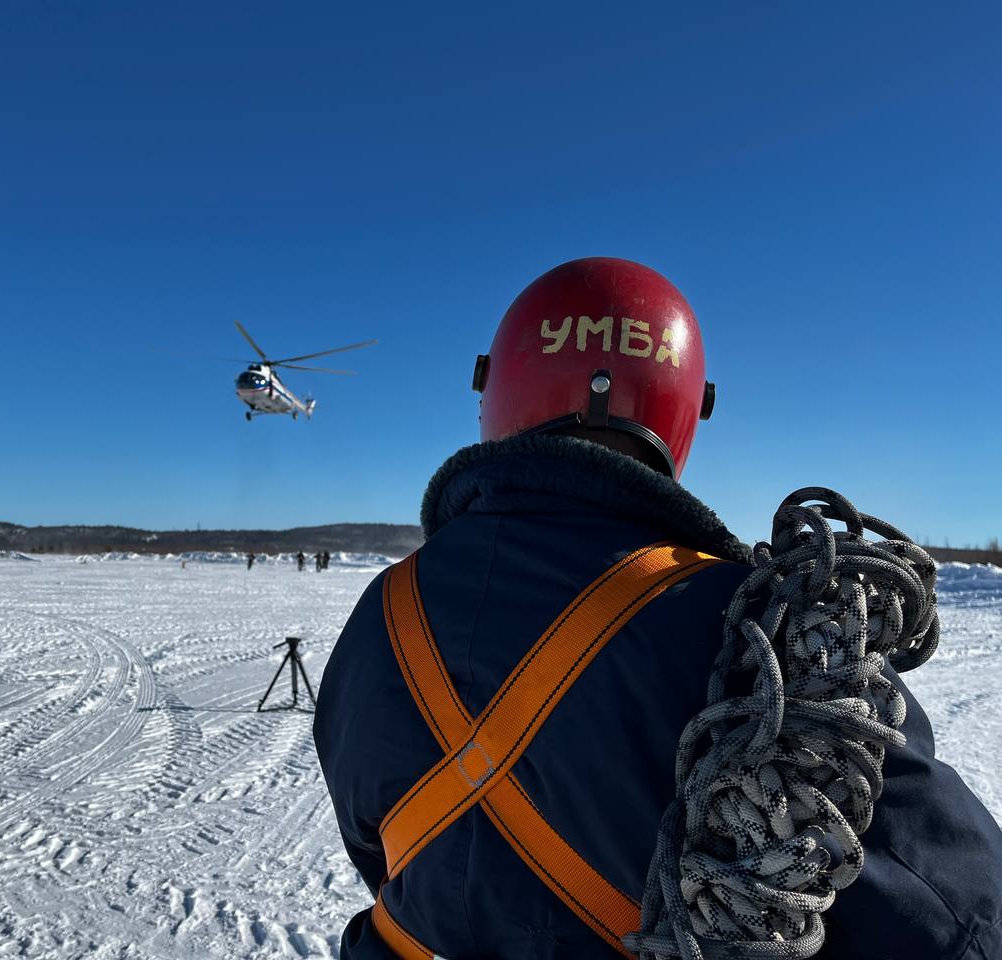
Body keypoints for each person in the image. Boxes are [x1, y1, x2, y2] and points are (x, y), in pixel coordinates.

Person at [313, 258, 1002, 960]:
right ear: (682, 407)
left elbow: (377, 843)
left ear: (497, 385)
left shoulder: (383, 612)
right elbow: (954, 918)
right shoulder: (776, 638)